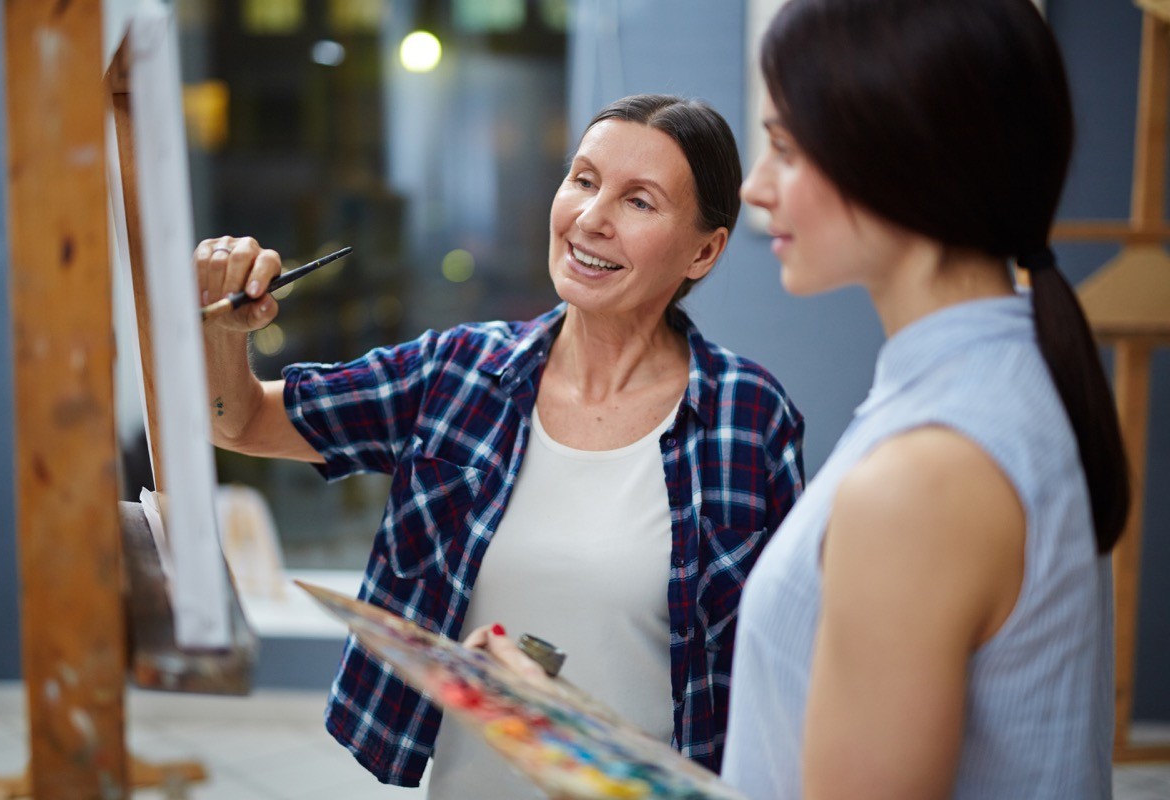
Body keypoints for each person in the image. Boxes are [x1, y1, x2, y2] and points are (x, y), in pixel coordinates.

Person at [197, 93, 804, 796]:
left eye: (639, 202)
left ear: (704, 250)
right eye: (583, 179)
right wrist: (218, 329)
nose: (591, 218)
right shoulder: (456, 372)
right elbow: (235, 421)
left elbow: (787, 665)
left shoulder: (749, 416)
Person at [717, 1, 1130, 797]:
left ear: (908, 157)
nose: (754, 186)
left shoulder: (926, 475)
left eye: (787, 149)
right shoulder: (997, 384)